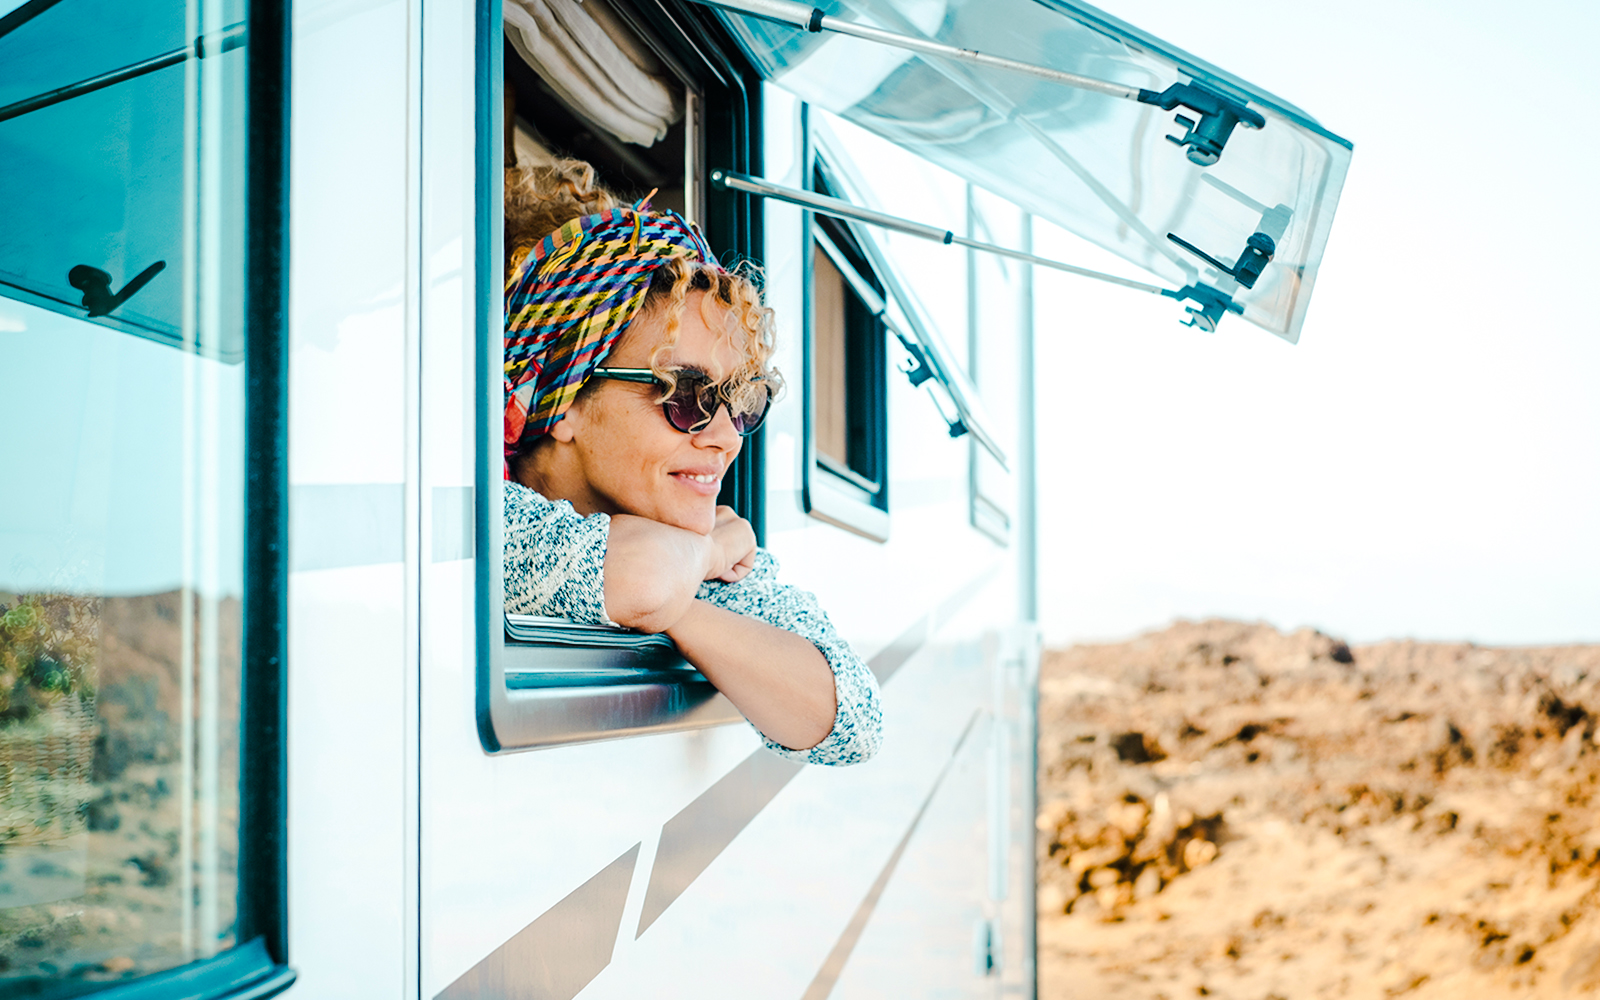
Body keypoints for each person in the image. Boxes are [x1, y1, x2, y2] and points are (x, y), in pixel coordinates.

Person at [501, 160, 882, 766]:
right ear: (564, 398)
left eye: (742, 402)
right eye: (687, 396)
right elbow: (643, 578)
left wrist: (686, 599)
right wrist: (702, 560)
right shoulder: (488, 520)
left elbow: (850, 720)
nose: (727, 438)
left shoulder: (677, 539)